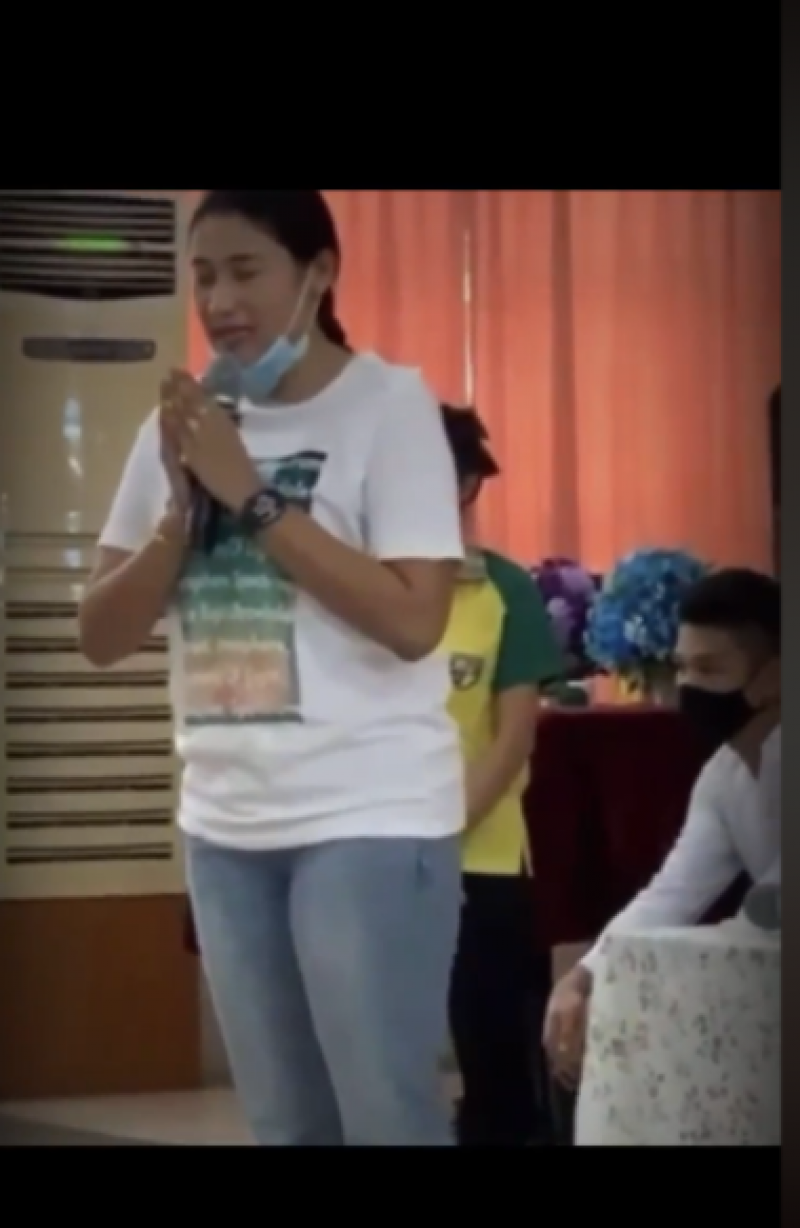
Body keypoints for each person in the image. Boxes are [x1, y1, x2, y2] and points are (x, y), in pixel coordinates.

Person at [78, 190, 466, 1147]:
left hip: (370, 814)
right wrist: (180, 512)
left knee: (386, 1119)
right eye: (203, 276)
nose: (219, 302)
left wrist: (249, 494)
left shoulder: (390, 406)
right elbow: (101, 632)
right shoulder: (182, 425)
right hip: (225, 822)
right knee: (286, 1127)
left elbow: (415, 620)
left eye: (246, 271)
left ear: (318, 273)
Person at [543, 567, 781, 1086]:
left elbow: (770, 913)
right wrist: (584, 975)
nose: (689, 687)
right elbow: (672, 895)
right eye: (682, 668)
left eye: (710, 669)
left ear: (775, 676)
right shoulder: (725, 775)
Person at [438, 404, 565, 1145]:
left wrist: (440, 830)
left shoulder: (504, 589)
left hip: (480, 853)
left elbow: (515, 736)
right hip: (371, 852)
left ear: (463, 484)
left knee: (494, 1057)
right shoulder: (358, 583)